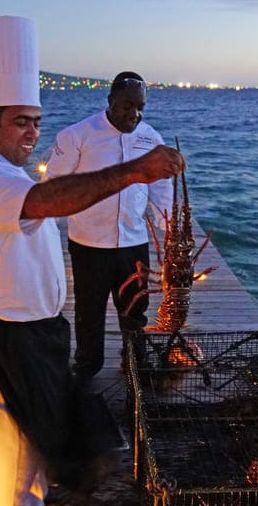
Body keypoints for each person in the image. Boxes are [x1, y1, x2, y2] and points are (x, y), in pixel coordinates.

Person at [0, 17, 184, 506]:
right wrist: (133, 172)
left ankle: (43, 496)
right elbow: (53, 200)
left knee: (40, 427)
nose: (31, 134)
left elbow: (50, 195)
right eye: (19, 123)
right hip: (10, 330)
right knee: (14, 439)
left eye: (35, 122)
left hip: (36, 326)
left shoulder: (10, 174)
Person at [44, 72, 172, 381]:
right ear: (110, 101)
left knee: (136, 307)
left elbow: (161, 191)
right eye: (128, 105)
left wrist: (168, 231)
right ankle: (88, 365)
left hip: (134, 241)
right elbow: (54, 185)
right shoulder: (78, 135)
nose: (135, 114)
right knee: (89, 310)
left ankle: (135, 363)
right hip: (89, 242)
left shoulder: (151, 139)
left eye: (141, 107)